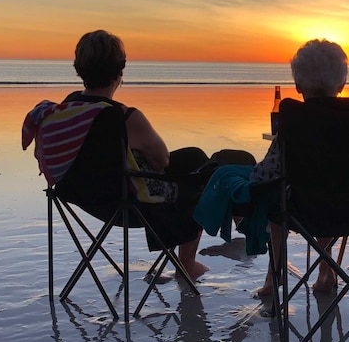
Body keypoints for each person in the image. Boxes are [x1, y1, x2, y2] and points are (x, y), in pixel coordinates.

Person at [25, 29, 254, 283]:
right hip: (131, 206)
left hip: (83, 197)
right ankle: (189, 262)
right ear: (120, 71)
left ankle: (234, 224)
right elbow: (162, 161)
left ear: (79, 69)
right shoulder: (123, 118)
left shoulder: (60, 114)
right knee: (203, 174)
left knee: (194, 157)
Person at [252, 39, 348, 296]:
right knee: (327, 189)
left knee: (278, 195)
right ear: (342, 85)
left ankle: (274, 276)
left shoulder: (294, 122)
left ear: (297, 85)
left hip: (304, 209)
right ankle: (327, 271)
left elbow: (266, 174)